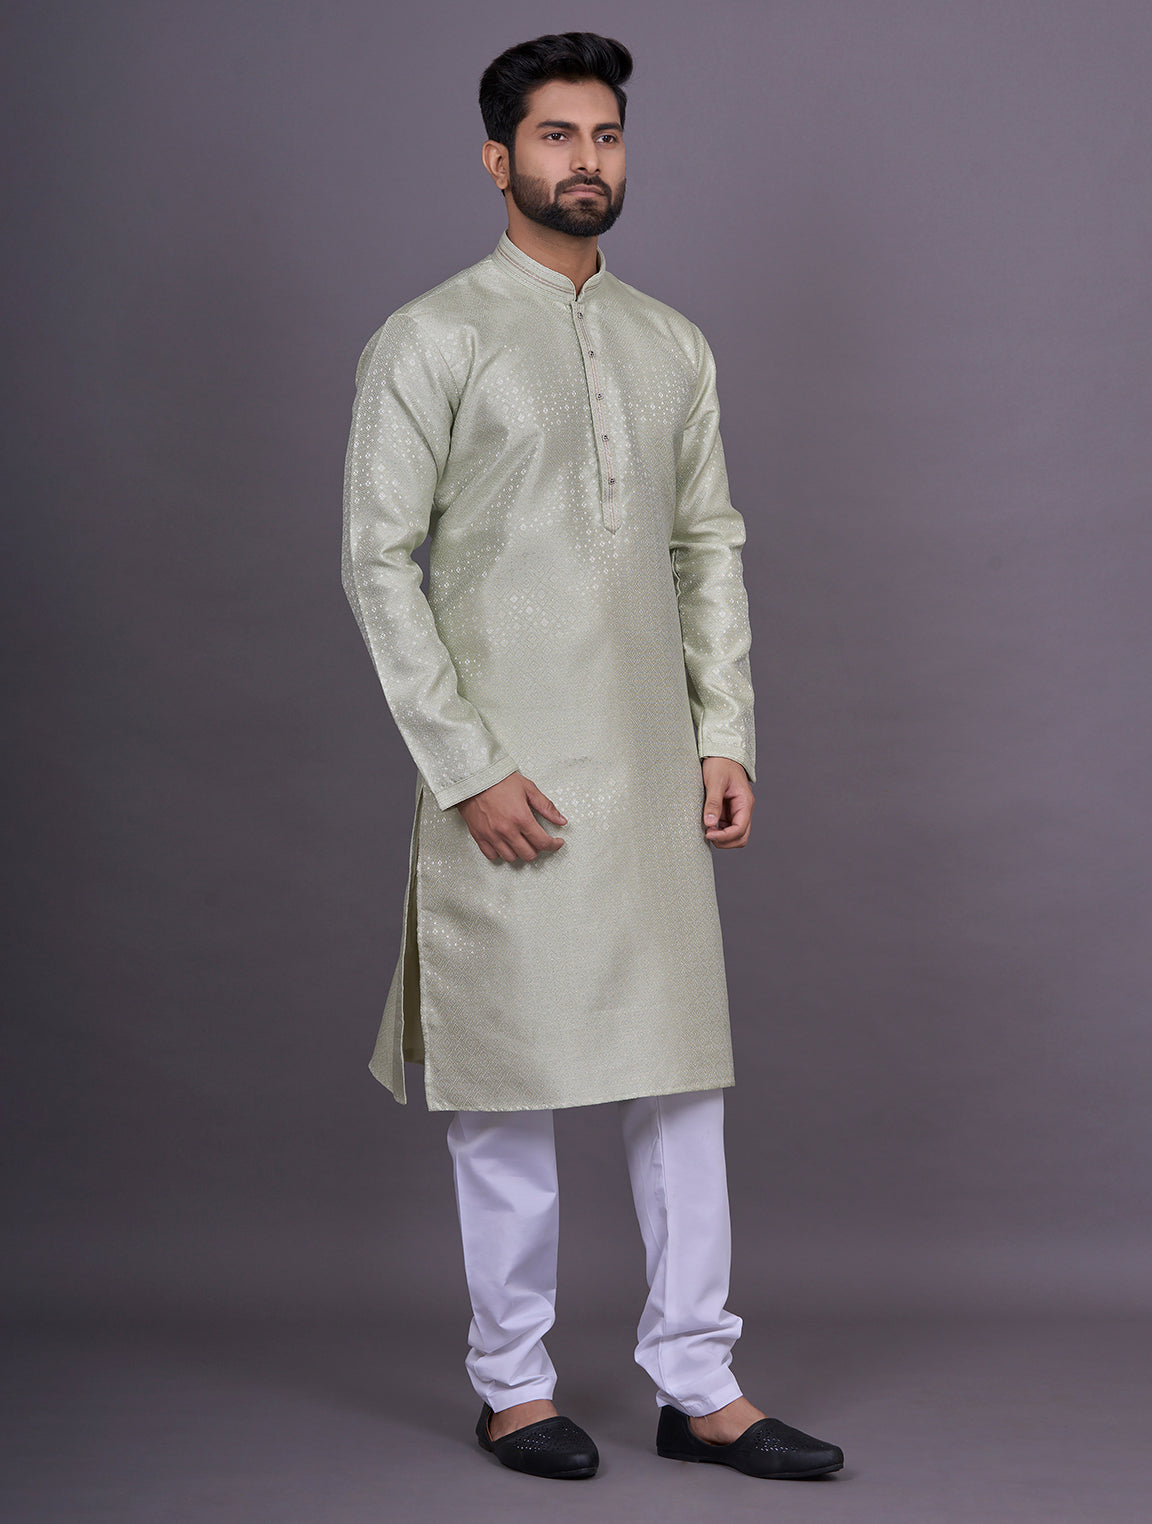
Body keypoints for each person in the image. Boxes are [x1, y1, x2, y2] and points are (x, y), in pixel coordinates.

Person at [341, 31, 844, 1484]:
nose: (587, 161)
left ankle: (701, 1385)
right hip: (506, 779)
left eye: (606, 135)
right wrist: (465, 767)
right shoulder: (432, 337)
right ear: (497, 157)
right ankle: (512, 1387)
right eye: (556, 137)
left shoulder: (670, 342)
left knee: (679, 1082)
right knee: (507, 1089)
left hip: (648, 770)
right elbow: (376, 563)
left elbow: (707, 548)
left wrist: (724, 732)